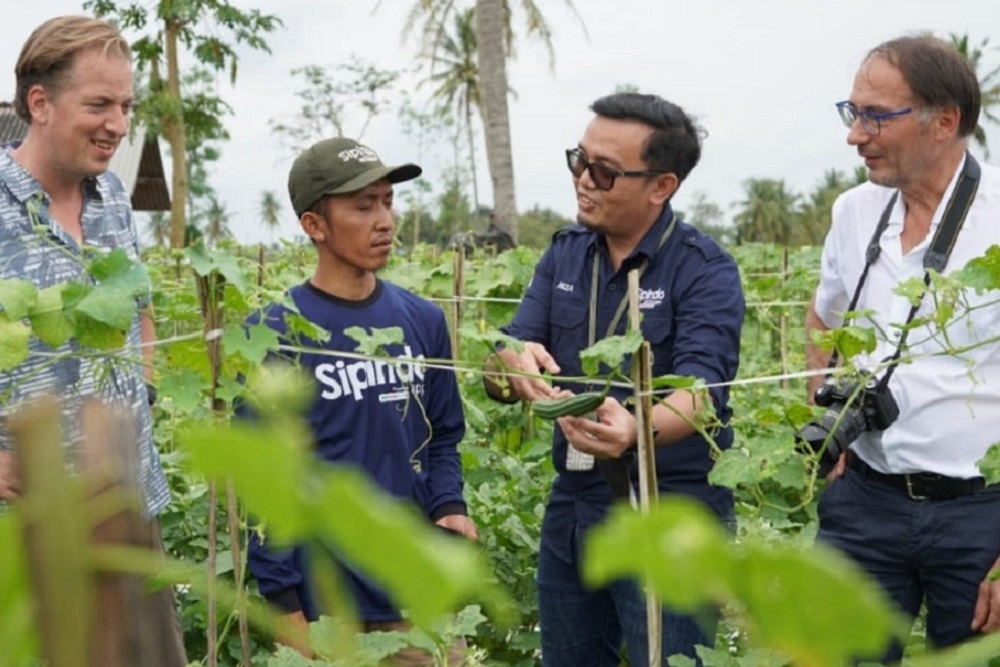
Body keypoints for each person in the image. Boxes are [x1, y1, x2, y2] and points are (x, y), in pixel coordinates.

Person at [485, 92, 744, 666]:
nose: (584, 179)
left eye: (604, 171)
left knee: (671, 658)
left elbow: (703, 393)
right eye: (579, 160)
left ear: (661, 186)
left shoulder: (705, 270)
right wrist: (510, 364)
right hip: (575, 504)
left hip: (671, 512)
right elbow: (505, 349)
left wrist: (638, 429)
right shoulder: (566, 254)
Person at [246, 137, 476, 665]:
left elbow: (443, 436)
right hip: (330, 615)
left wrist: (448, 507)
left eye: (387, 201)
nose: (384, 220)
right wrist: (284, 608)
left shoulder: (423, 320)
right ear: (314, 225)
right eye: (362, 205)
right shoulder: (274, 336)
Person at [806, 35, 1000, 662]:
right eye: (852, 111)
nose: (855, 135)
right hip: (864, 500)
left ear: (944, 122)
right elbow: (823, 316)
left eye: (876, 117)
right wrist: (824, 415)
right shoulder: (855, 212)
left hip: (982, 515)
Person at [0, 15, 186, 665]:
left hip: (131, 508)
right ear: (40, 103)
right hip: (26, 526)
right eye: (100, 104)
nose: (118, 123)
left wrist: (147, 388)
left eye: (126, 106)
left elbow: (138, 308)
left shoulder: (111, 197)